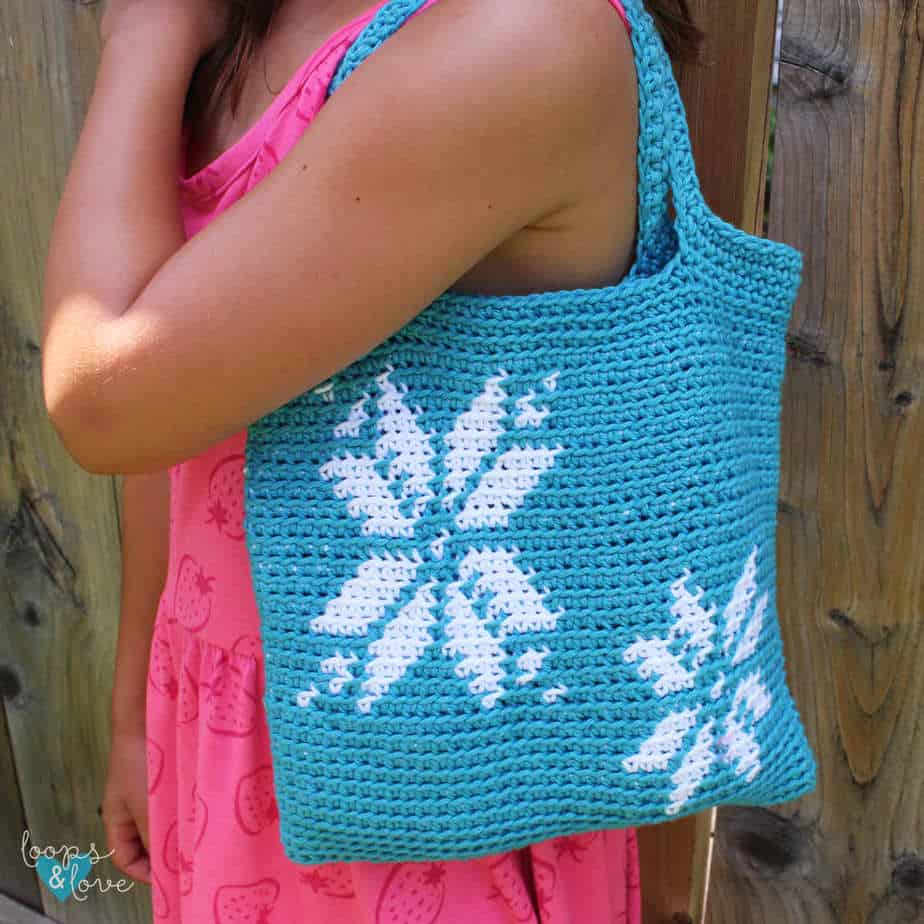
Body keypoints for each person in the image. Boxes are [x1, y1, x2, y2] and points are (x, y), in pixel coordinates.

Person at [41, 0, 702, 920]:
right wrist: (133, 714)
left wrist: (143, 37)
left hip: (429, 784)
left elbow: (105, 403)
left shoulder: (521, 34)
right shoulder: (253, 19)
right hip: (232, 730)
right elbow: (179, 422)